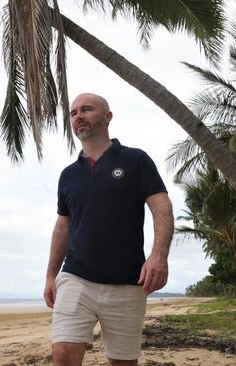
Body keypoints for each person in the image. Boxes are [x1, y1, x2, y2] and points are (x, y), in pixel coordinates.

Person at [43, 93, 174, 366]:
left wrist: (158, 256)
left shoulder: (136, 160)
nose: (78, 116)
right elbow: (63, 226)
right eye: (73, 112)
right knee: (64, 351)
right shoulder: (68, 175)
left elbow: (161, 207)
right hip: (77, 277)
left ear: (107, 116)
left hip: (127, 281)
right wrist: (50, 276)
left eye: (87, 109)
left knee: (123, 362)